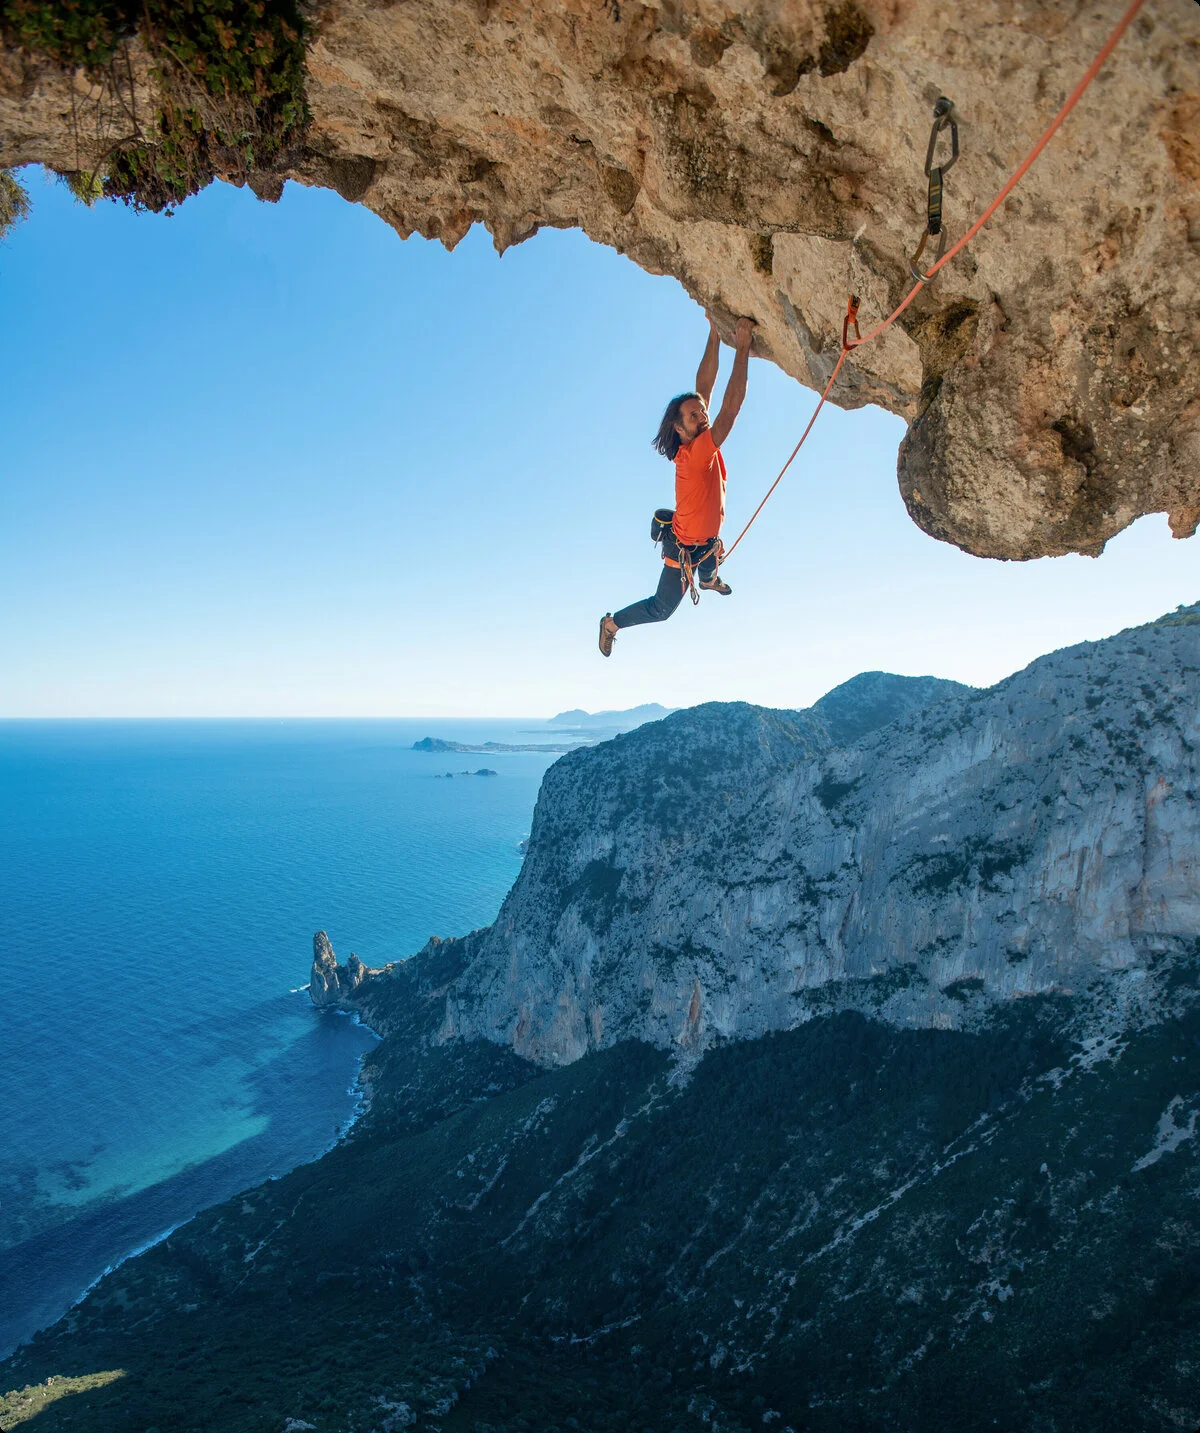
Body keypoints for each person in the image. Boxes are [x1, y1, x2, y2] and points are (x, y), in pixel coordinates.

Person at [598, 315, 756, 657]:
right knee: (661, 609)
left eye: (701, 412)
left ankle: (708, 580)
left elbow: (704, 389)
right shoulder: (697, 453)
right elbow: (729, 410)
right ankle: (611, 624)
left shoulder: (696, 440)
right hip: (684, 549)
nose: (703, 416)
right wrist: (742, 347)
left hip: (706, 541)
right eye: (694, 416)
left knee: (710, 560)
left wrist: (714, 334)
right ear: (680, 430)